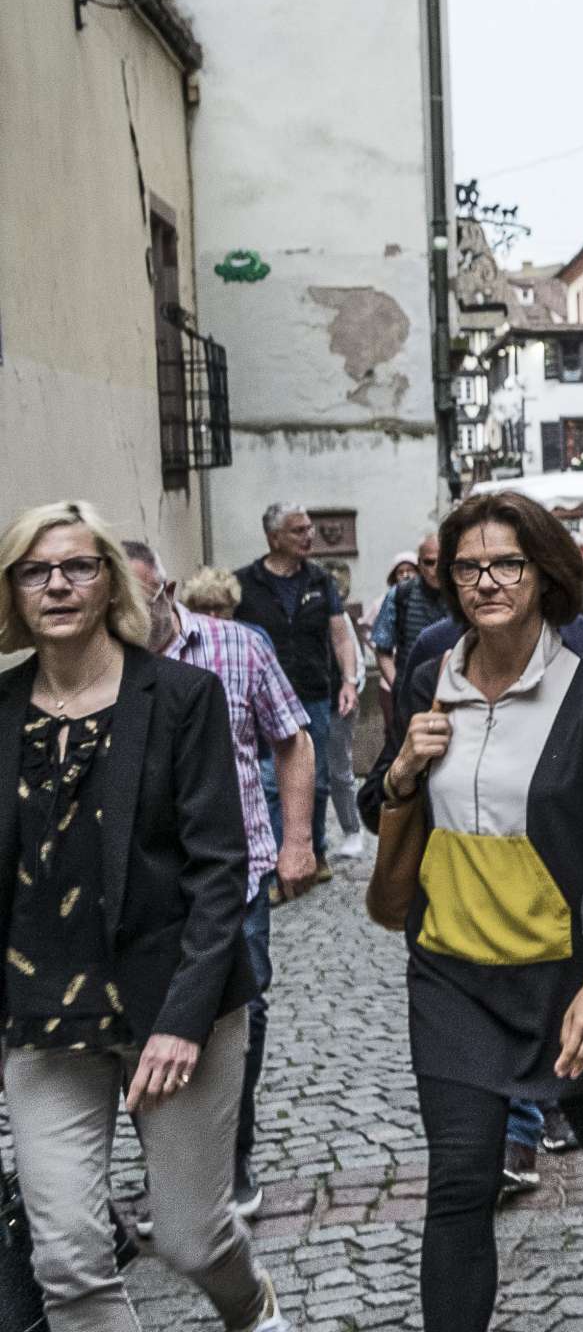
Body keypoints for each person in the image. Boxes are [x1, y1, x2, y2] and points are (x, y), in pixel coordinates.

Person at [364, 490, 583, 1332]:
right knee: (461, 1178)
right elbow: (382, 798)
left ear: (543, 575)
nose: (485, 581)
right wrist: (398, 773)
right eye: (467, 567)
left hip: (571, 972)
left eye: (506, 564)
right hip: (454, 972)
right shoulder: (433, 672)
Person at [0, 502, 294, 1332]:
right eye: (34, 570)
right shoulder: (0, 709)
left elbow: (218, 871)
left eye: (77, 566)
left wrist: (184, 1020)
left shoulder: (181, 697)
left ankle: (253, 1303)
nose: (56, 584)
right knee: (66, 1260)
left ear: (110, 584)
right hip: (40, 1014)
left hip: (173, 1002)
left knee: (192, 1240)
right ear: (14, 592)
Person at [125, 543, 319, 1225]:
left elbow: (293, 738)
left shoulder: (239, 647)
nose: (126, 615)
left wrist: (297, 840)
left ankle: (229, 1161)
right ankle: (170, 1176)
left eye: (139, 599)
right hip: (143, 885)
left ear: (168, 588)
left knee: (241, 1014)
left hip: (233, 875)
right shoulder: (107, 666)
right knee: (148, 1022)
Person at [233, 502, 357, 872]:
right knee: (271, 782)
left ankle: (315, 851)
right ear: (273, 538)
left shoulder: (321, 581)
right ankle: (275, 861)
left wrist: (349, 680)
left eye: (309, 529)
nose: (309, 536)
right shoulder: (244, 583)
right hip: (263, 698)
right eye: (298, 530)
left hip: (313, 693)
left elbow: (340, 637)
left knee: (316, 779)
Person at [323, 560, 370, 859]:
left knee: (339, 771)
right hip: (307, 700)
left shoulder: (342, 622)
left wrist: (350, 688)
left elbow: (357, 663)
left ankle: (352, 829)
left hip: (336, 703)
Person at [373, 532, 447, 707]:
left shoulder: (463, 594)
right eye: (429, 562)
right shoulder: (400, 595)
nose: (435, 569)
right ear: (419, 564)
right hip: (412, 695)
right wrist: (399, 688)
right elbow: (383, 650)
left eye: (441, 562)